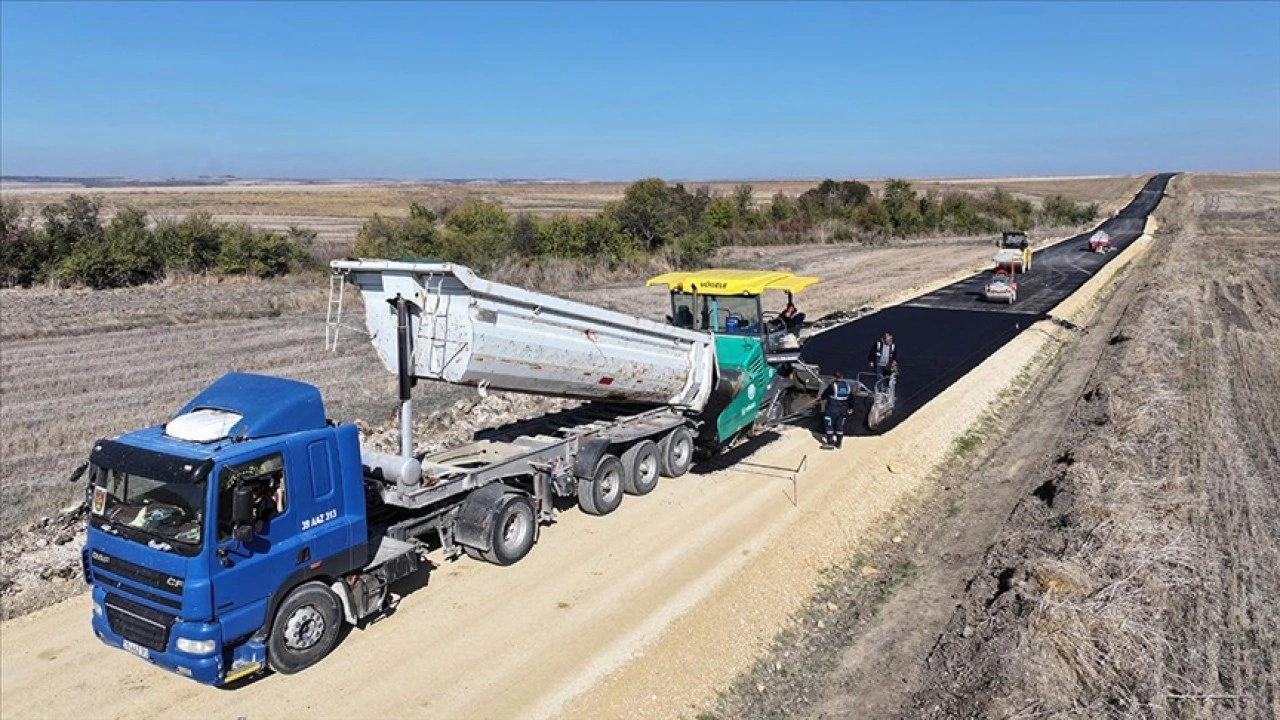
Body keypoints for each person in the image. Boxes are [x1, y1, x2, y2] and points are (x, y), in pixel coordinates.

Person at [820, 372, 854, 448]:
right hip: (842, 410)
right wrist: (850, 408)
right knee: (840, 426)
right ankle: (839, 444)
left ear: (834, 377)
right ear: (842, 377)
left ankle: (830, 442)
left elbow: (824, 395)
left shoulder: (832, 386)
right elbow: (851, 398)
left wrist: (821, 398)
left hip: (832, 409)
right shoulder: (847, 386)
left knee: (829, 425)